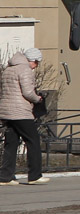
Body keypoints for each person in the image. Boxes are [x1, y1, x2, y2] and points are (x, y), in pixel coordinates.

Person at [0, 48, 47, 186]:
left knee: (11, 143)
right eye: (37, 63)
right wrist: (38, 99)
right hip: (20, 111)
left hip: (6, 111)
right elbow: (27, 92)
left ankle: (5, 176)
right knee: (33, 140)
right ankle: (35, 175)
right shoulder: (25, 70)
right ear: (33, 60)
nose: (36, 66)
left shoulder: (8, 69)